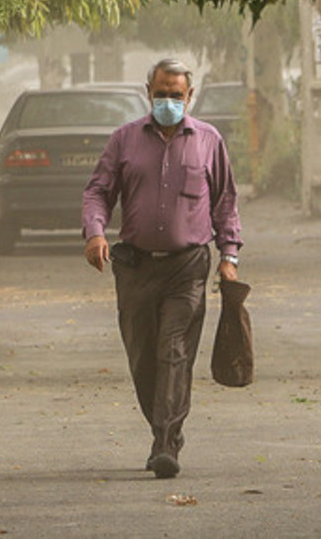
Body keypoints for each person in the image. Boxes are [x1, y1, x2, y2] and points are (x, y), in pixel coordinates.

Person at [82, 59, 243, 480]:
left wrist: (229, 256)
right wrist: (95, 232)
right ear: (147, 92)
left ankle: (166, 442)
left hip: (187, 267)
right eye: (161, 93)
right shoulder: (124, 141)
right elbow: (98, 191)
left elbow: (225, 201)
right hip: (135, 267)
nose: (168, 101)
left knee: (174, 352)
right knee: (142, 357)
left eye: (176, 94)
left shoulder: (208, 141)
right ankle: (162, 427)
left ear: (190, 97)